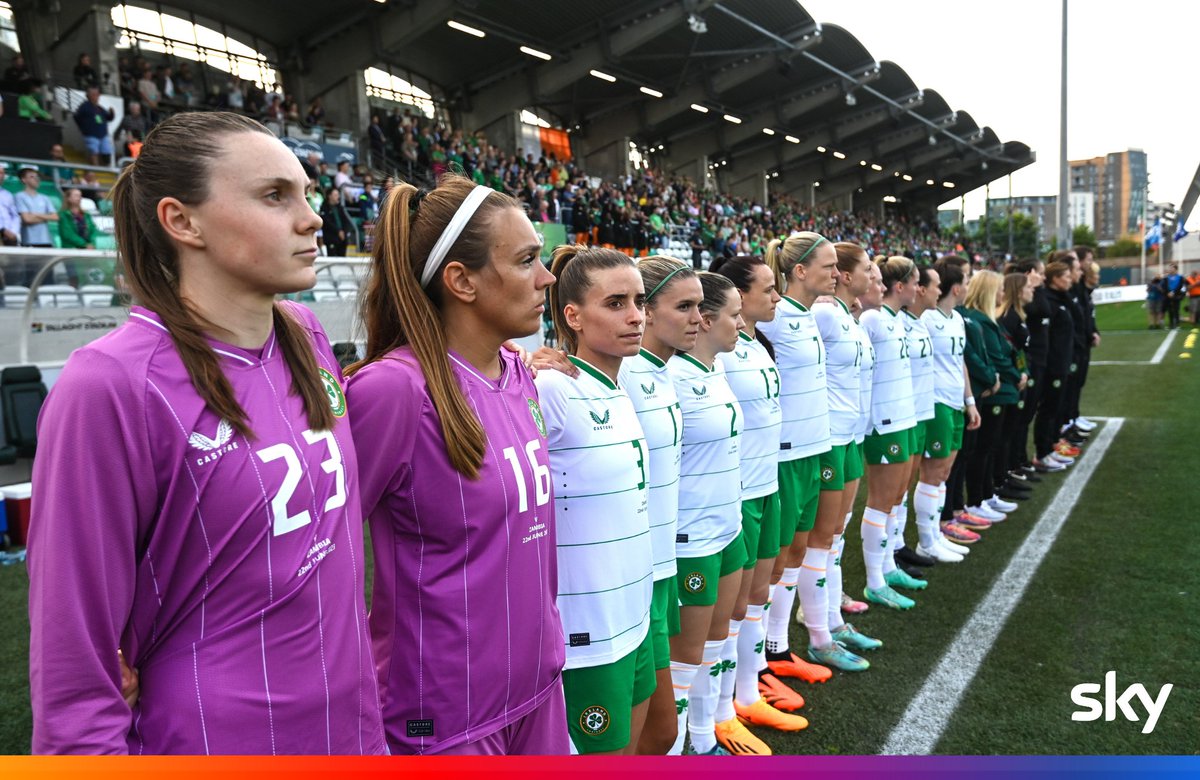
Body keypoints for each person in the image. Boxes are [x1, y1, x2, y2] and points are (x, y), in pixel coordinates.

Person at [27, 112, 386, 754]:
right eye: (276, 196)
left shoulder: (304, 336)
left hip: (353, 732)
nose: (312, 217)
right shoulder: (111, 384)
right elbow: (73, 666)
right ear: (181, 221)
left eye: (307, 193)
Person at [344, 176, 567, 755]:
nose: (546, 278)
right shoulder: (394, 389)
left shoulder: (518, 373)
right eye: (526, 261)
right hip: (443, 716)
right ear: (461, 281)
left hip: (538, 686)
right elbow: (321, 547)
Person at [537, 245, 655, 755]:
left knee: (655, 738)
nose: (635, 316)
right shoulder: (553, 387)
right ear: (573, 317)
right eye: (615, 303)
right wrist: (519, 361)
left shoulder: (618, 385)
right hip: (589, 629)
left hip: (636, 611)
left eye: (639, 301)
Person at [710, 255, 808, 753]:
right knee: (726, 612)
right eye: (768, 289)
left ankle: (746, 692)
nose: (776, 297)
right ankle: (720, 711)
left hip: (765, 483)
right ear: (738, 296)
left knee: (756, 597)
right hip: (738, 494)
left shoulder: (753, 343)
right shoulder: (719, 353)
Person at [618, 257, 699, 755]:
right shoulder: (621, 375)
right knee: (639, 734)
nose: (699, 317)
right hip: (625, 580)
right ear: (646, 312)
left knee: (662, 730)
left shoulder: (663, 371)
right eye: (685, 306)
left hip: (660, 565)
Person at [666, 271, 746, 755]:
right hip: (691, 536)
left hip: (726, 527)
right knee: (685, 658)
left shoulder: (716, 369)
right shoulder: (669, 378)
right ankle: (676, 749)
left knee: (715, 644)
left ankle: (703, 737)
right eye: (734, 316)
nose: (741, 324)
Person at [756, 233, 836, 684]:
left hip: (813, 449)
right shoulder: (776, 318)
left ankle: (779, 646)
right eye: (827, 265)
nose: (835, 273)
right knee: (777, 557)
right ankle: (761, 658)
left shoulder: (809, 316)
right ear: (800, 271)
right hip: (785, 455)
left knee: (798, 551)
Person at [857, 256, 922, 610]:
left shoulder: (895, 320)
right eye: (876, 280)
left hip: (904, 417)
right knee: (881, 502)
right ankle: (874, 581)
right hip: (884, 423)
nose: (881, 287)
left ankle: (889, 566)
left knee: (897, 497)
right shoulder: (871, 319)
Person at [921, 258, 982, 552]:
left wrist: (970, 401)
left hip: (956, 402)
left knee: (945, 472)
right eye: (967, 282)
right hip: (936, 403)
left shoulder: (957, 319)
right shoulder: (927, 319)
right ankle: (928, 538)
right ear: (956, 288)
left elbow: (960, 363)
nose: (969, 287)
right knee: (933, 472)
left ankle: (938, 531)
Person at [960, 270, 1026, 519]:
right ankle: (977, 499)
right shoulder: (977, 319)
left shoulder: (986, 319)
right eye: (999, 289)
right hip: (991, 393)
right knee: (982, 449)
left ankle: (986, 495)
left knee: (987, 448)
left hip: (996, 390)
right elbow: (989, 357)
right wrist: (997, 377)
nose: (1002, 293)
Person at [1033, 259, 1078, 472]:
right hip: (1053, 366)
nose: (1070, 280)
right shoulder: (1049, 302)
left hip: (1062, 363)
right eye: (1066, 276)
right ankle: (1042, 452)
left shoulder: (1061, 299)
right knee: (1048, 409)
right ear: (1055, 279)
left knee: (1055, 408)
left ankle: (1051, 447)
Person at [320, 188, 353, 257]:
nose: (338, 197)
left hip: (342, 239)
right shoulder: (324, 207)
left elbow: (346, 221)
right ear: (329, 196)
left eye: (338, 195)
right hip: (331, 238)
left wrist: (344, 232)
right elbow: (327, 222)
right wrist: (338, 231)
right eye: (335, 195)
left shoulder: (340, 207)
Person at [1162, 263, 1186, 330]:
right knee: (1170, 310)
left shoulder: (1180, 277)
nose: (1170, 269)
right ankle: (1171, 324)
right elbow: (1164, 286)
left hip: (1176, 296)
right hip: (1168, 296)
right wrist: (1167, 293)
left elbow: (1182, 286)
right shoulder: (1166, 278)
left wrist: (1176, 293)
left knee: (1176, 310)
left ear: (1175, 269)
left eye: (1171, 268)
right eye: (1169, 268)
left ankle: (1177, 324)